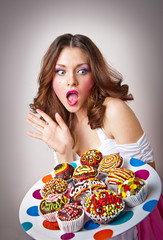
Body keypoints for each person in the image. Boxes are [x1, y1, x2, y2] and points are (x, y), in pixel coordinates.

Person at [26, 33, 163, 239]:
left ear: (94, 75)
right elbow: (73, 197)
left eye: (82, 71)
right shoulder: (62, 124)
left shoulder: (114, 111)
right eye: (61, 72)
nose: (71, 81)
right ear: (51, 79)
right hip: (93, 231)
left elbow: (147, 180)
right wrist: (64, 151)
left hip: (132, 226)